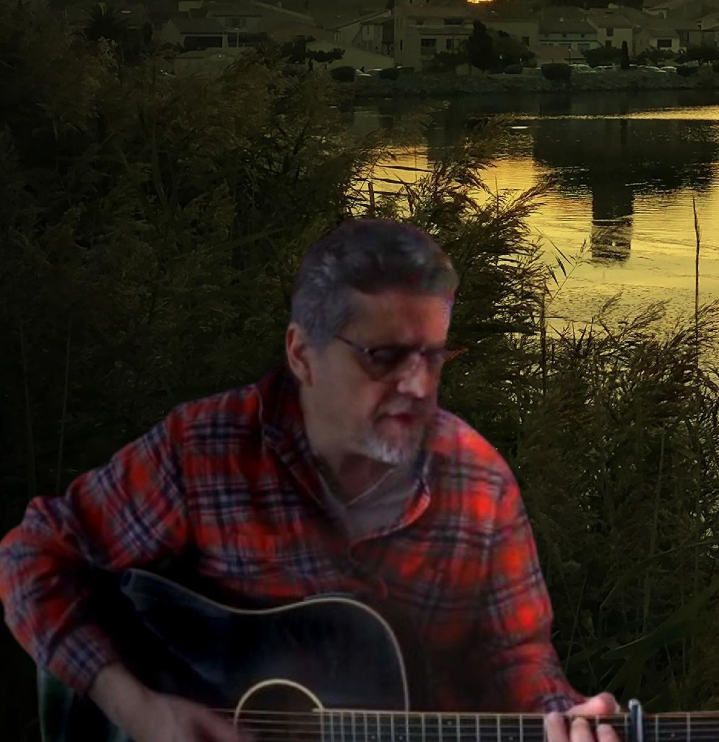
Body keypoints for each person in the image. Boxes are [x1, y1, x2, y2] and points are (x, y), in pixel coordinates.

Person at [2, 220, 619, 742]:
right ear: (301, 354)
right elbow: (34, 556)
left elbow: (519, 660)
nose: (417, 387)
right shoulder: (205, 451)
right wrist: (134, 706)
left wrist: (561, 718)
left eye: (432, 356)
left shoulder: (478, 482)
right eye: (383, 357)